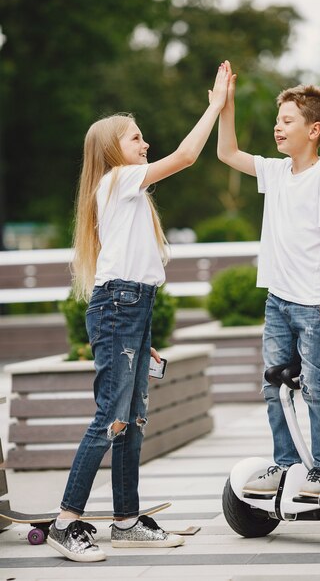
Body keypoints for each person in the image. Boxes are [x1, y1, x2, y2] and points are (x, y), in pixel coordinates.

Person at [47, 63, 230, 563]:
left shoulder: (129, 192)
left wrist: (141, 330)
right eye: (136, 137)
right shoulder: (117, 181)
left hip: (133, 306)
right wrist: (215, 106)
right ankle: (67, 522)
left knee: (132, 418)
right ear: (113, 150)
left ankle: (126, 520)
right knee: (110, 415)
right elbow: (188, 156)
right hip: (117, 305)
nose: (144, 144)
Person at [217, 60, 320, 499]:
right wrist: (225, 106)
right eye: (278, 121)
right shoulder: (276, 174)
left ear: (313, 130)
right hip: (277, 301)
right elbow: (226, 153)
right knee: (274, 385)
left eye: (287, 121)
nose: (278, 128)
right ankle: (287, 463)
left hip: (315, 304)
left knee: (316, 387)